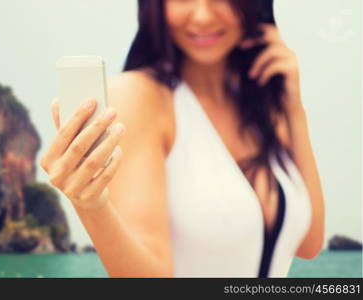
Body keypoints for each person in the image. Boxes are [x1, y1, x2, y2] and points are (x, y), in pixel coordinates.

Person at [39, 0, 325, 277]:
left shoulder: (261, 107)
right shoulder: (140, 98)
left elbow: (308, 243)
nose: (202, 15)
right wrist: (92, 206)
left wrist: (293, 107)